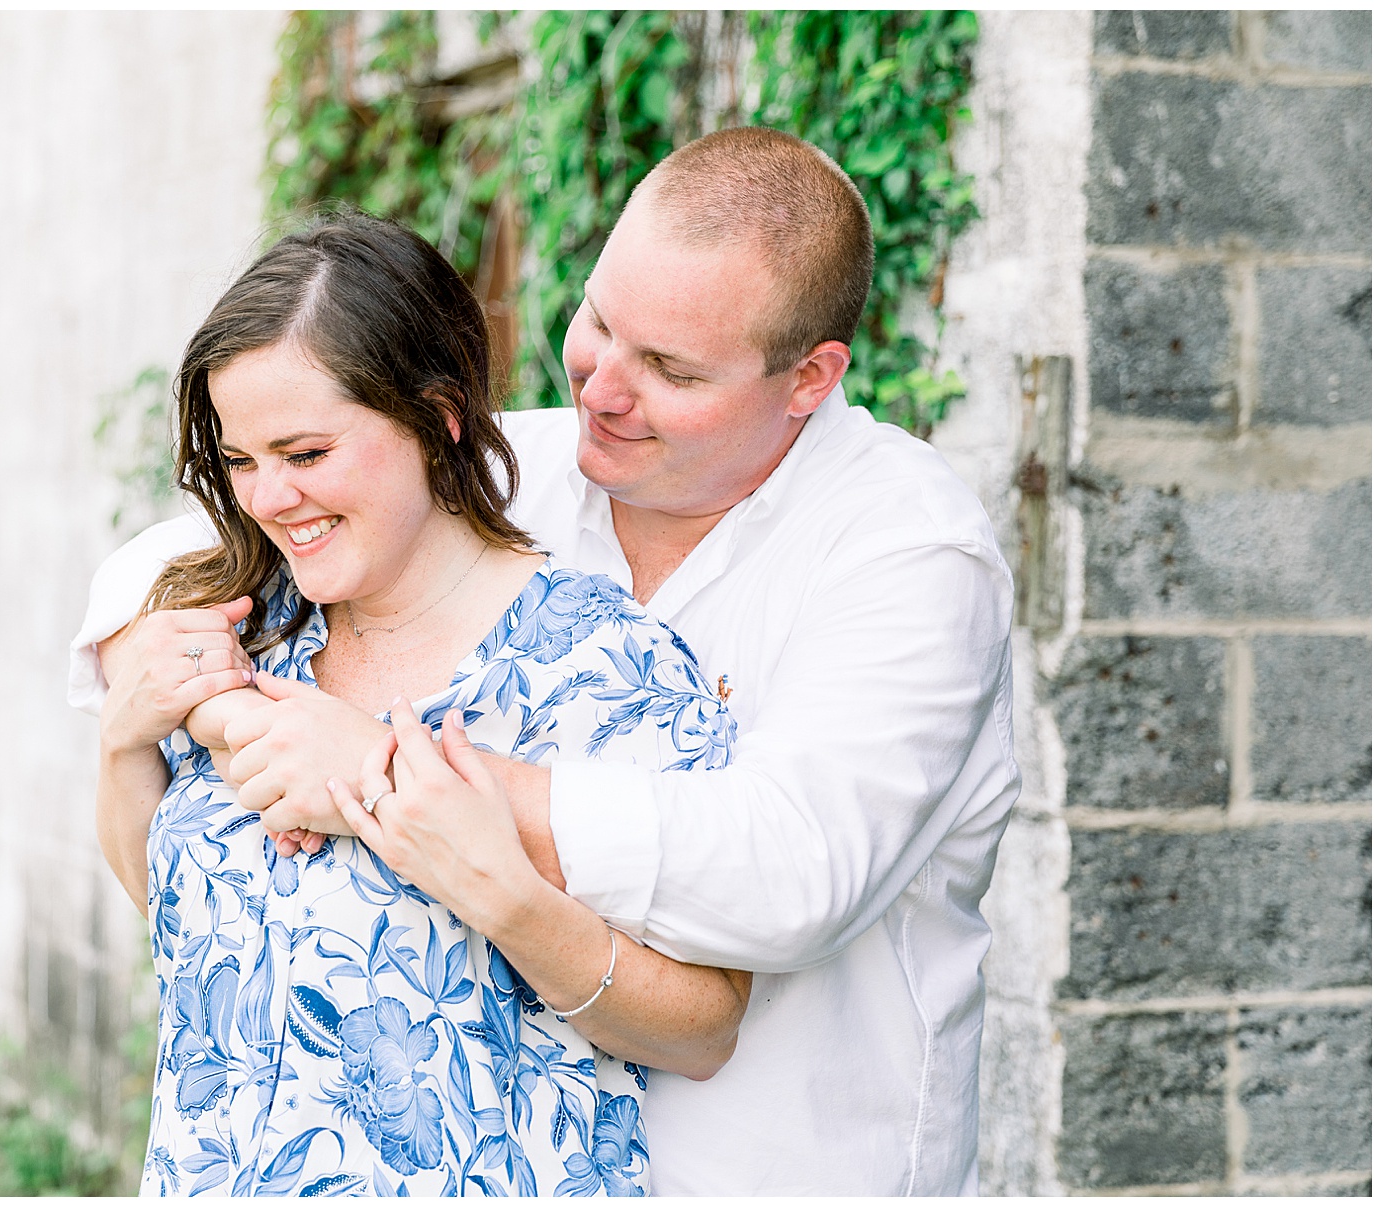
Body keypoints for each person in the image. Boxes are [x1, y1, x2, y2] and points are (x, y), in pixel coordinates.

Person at [74, 128, 1020, 1195]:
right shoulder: (542, 471)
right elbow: (183, 560)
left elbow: (794, 872)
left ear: (808, 378)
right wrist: (200, 704)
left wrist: (383, 772)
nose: (602, 389)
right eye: (599, 323)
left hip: (795, 1162)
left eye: (667, 366)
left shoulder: (907, 553)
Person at [90, 211, 750, 1196]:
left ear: (438, 416)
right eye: (239, 461)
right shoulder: (246, 623)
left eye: (305, 454)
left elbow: (705, 1028)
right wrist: (122, 743)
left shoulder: (610, 670)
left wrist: (495, 888)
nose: (267, 498)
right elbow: (180, 926)